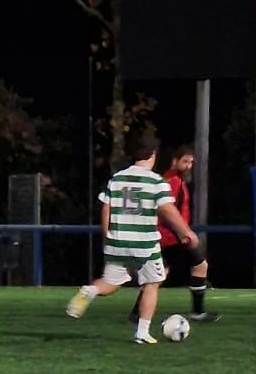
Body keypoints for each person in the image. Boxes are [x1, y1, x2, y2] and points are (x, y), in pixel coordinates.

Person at [65, 133, 200, 345]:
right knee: (152, 283)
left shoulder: (116, 179)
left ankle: (90, 290)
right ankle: (142, 332)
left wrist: (107, 236)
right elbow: (167, 210)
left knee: (110, 283)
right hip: (144, 244)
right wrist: (186, 232)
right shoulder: (157, 181)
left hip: (117, 241)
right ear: (153, 155)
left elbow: (106, 208)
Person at [129, 143, 216, 325]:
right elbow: (166, 211)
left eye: (191, 162)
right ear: (174, 161)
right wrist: (184, 232)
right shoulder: (173, 182)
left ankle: (137, 313)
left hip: (166, 236)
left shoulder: (170, 180)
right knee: (200, 265)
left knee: (159, 274)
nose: (188, 166)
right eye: (185, 162)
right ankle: (197, 311)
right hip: (171, 237)